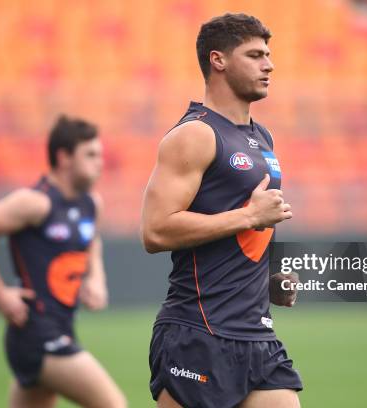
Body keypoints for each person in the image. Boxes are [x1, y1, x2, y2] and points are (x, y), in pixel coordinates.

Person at [141, 13, 302, 408]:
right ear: (219, 61)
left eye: (268, 55)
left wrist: (266, 280)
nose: (269, 65)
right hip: (198, 334)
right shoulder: (194, 135)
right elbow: (156, 231)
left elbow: (245, 233)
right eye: (255, 55)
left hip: (257, 336)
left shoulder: (262, 136)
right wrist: (249, 216)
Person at [0, 116, 127, 408]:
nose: (99, 162)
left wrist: (95, 278)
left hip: (60, 327)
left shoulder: (91, 203)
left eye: (99, 154)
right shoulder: (35, 202)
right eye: (90, 155)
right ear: (63, 157)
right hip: (37, 334)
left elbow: (93, 240)